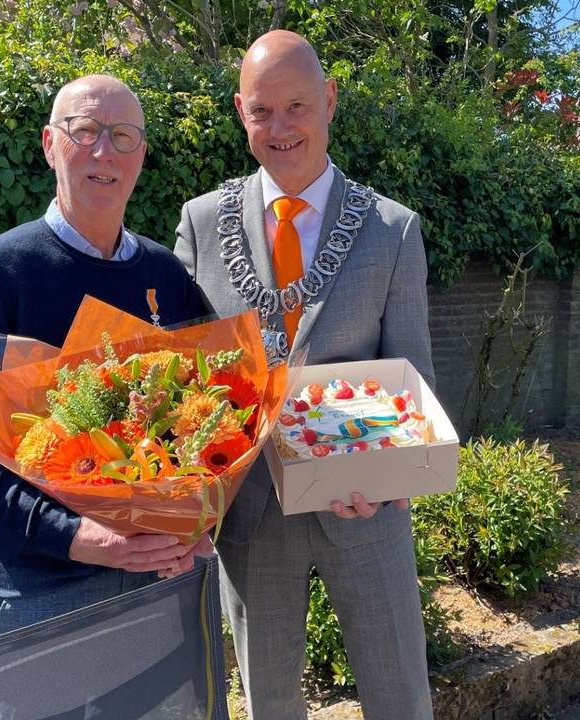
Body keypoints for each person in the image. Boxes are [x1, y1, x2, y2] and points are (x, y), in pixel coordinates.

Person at [174, 30, 434, 719]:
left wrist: (389, 482)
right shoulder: (199, 224)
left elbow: (417, 383)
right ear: (239, 111)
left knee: (400, 693)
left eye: (297, 106)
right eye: (262, 111)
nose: (280, 127)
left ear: (329, 100)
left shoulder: (392, 230)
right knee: (269, 703)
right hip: (251, 515)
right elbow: (183, 384)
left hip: (365, 511)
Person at [0, 75, 211, 639]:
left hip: (165, 574)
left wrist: (195, 524)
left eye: (124, 136)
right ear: (49, 144)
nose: (104, 150)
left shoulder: (166, 276)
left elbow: (221, 415)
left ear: (142, 155)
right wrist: (76, 536)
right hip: (44, 593)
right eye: (84, 130)